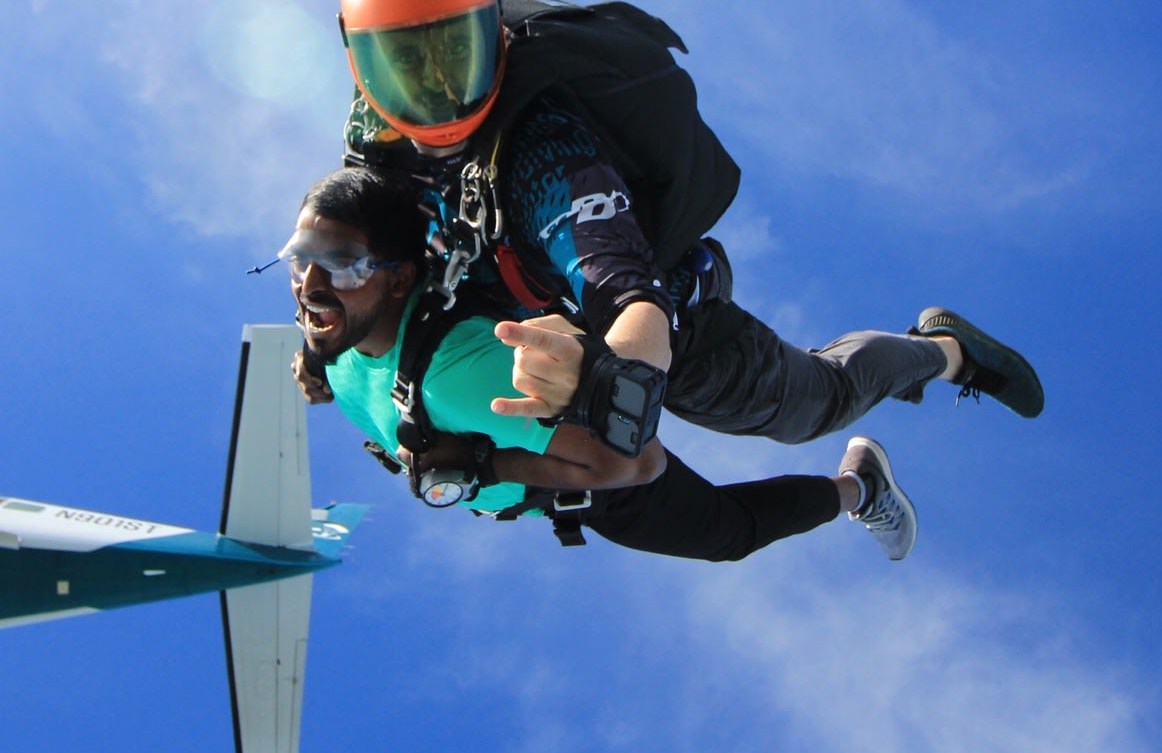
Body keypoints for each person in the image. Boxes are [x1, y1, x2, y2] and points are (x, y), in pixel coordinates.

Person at [333, 0, 1043, 453]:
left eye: (459, 52)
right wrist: (323, 341)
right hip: (514, 291)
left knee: (814, 405)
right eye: (406, 67)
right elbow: (350, 234)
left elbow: (618, 278)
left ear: (499, 34)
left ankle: (947, 353)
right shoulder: (373, 137)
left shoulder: (546, 151)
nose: (443, 94)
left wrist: (621, 375)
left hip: (666, 312)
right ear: (361, 68)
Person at [286, 167, 918, 562]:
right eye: (300, 258)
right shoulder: (338, 342)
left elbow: (636, 462)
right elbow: (345, 346)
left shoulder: (459, 378)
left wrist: (481, 468)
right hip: (564, 447)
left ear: (399, 283)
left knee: (731, 532)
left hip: (586, 477)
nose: (310, 283)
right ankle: (864, 476)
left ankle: (863, 484)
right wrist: (318, 362)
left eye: (342, 264)